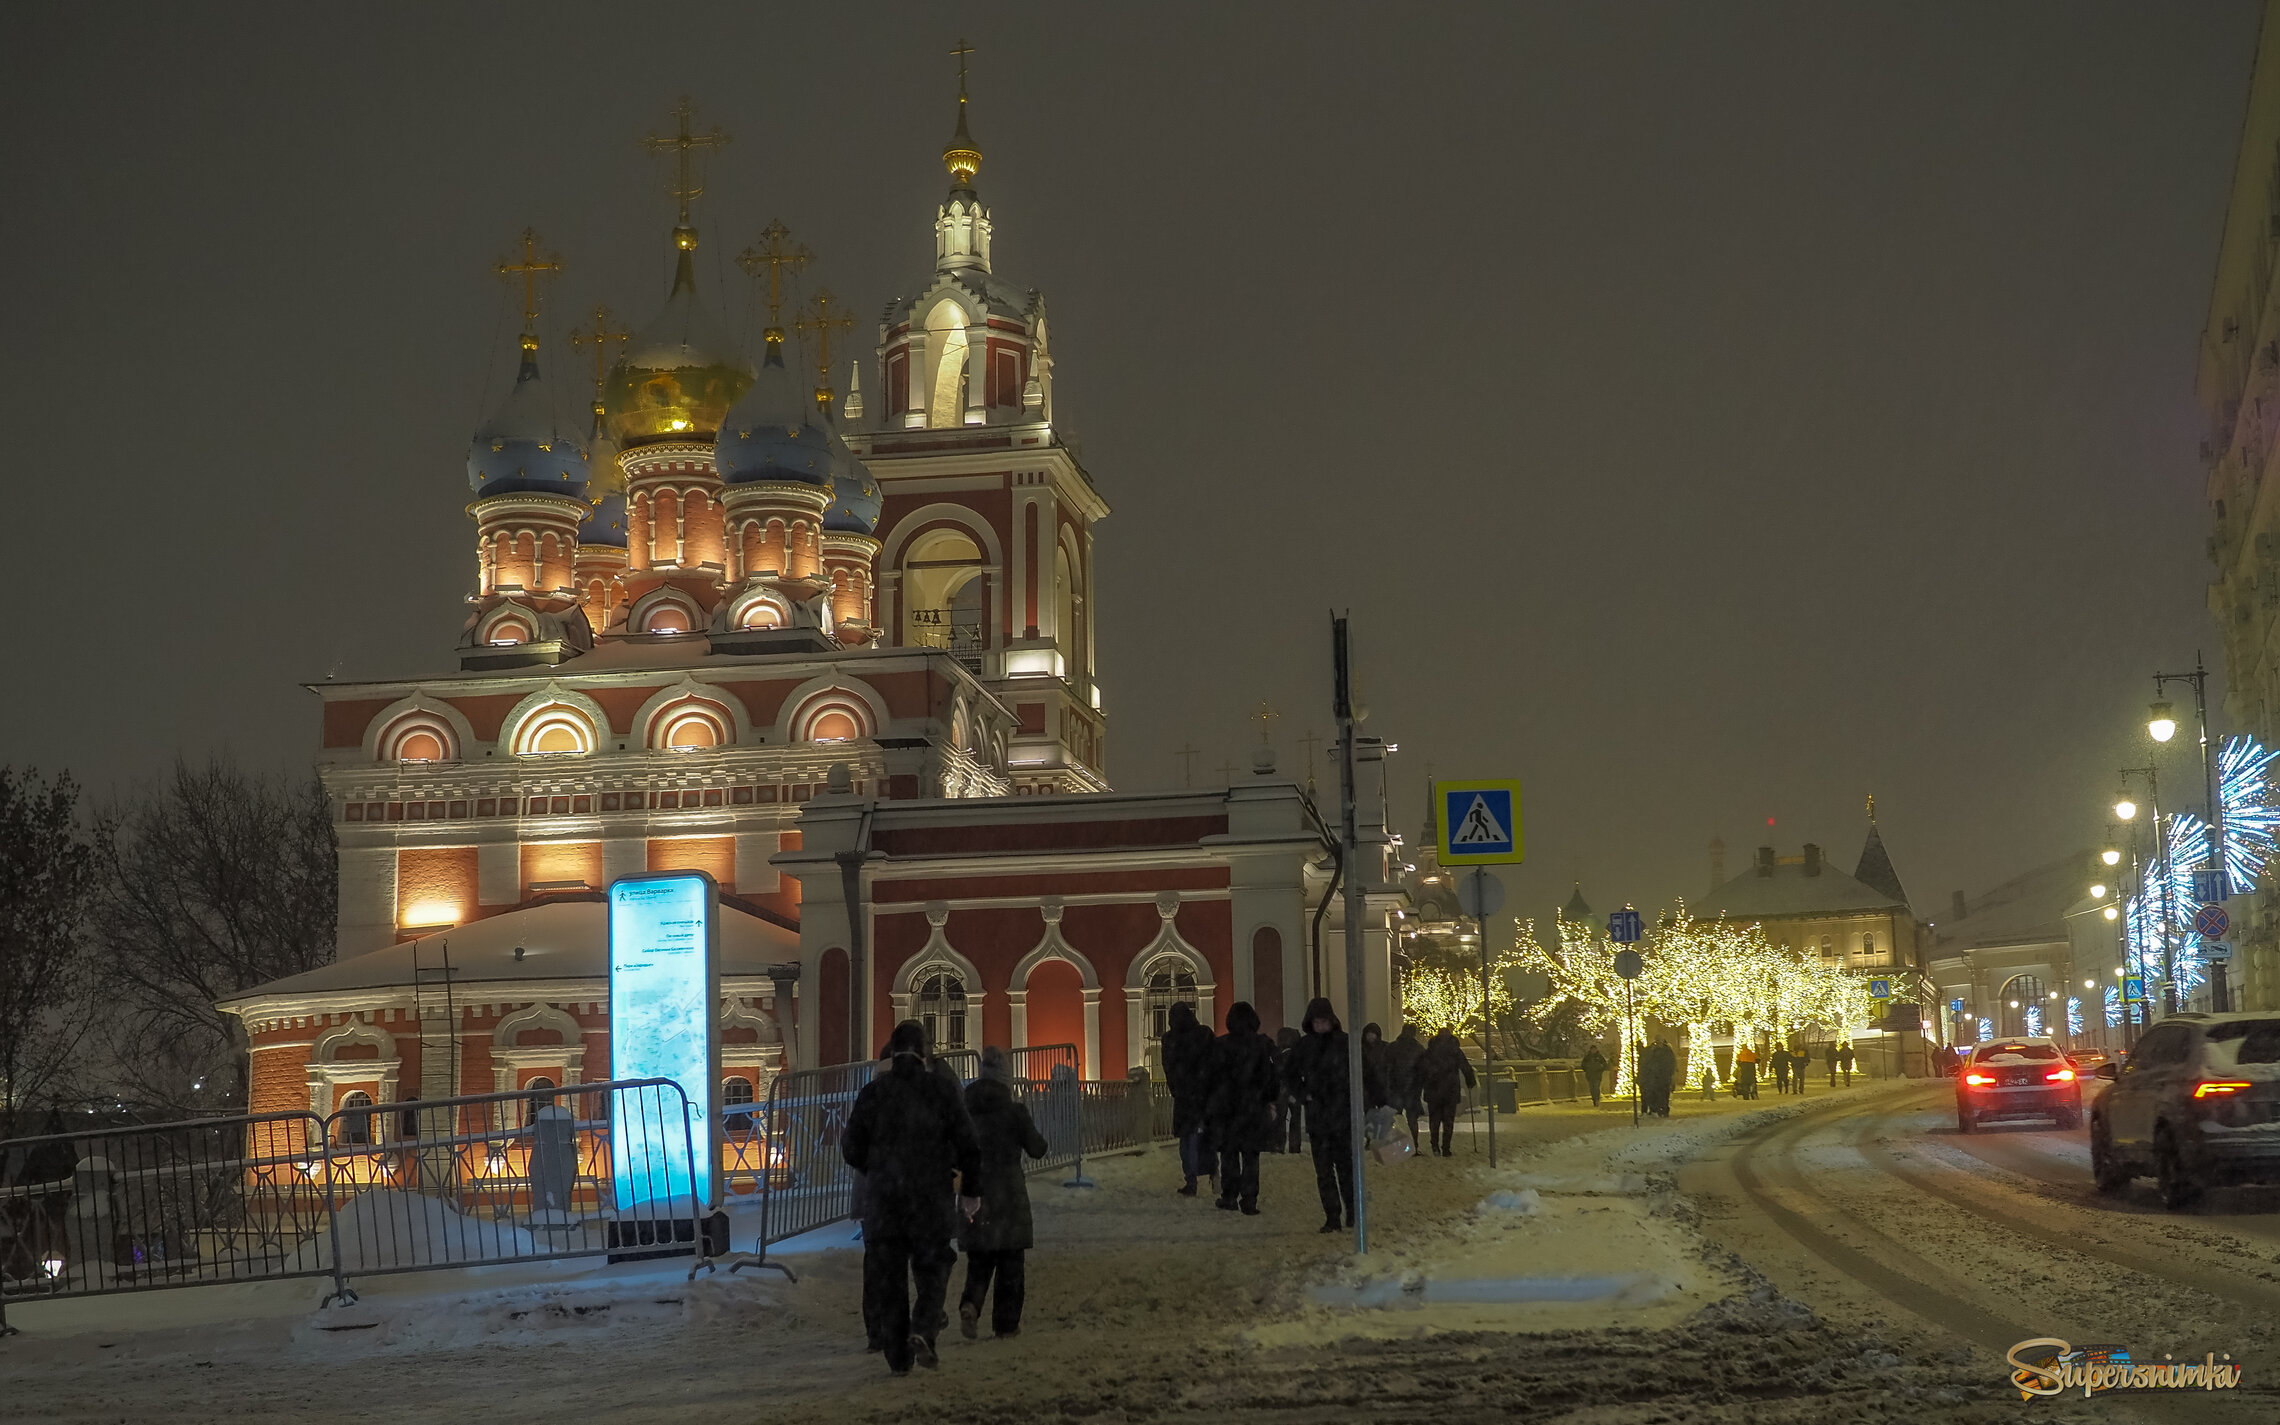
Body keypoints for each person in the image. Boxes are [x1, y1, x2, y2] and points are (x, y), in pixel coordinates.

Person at [841, 1020, 982, 1376]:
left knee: (890, 1277)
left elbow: (850, 1147)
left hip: (885, 1202)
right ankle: (923, 1328)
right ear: (924, 1052)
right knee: (934, 1267)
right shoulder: (941, 1090)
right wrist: (970, 1190)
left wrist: (877, 1170)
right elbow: (969, 1144)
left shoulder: (873, 1093)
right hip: (929, 1198)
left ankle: (897, 1358)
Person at [958, 1047, 1048, 1341]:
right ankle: (1006, 1325)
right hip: (1009, 1194)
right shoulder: (1015, 1112)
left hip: (977, 1191)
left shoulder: (967, 1112)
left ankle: (971, 1303)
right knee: (1011, 1261)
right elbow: (1037, 1148)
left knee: (980, 1258)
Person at [1284, 996, 1355, 1233]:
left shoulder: (1344, 1043)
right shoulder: (1304, 1047)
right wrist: (1304, 1095)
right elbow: (1289, 1075)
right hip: (1319, 1119)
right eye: (1318, 1021)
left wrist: (1375, 1100)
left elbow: (1363, 1072)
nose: (1321, 1025)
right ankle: (1333, 1215)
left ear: (1331, 1021)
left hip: (1341, 1117)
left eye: (1325, 1021)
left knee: (1345, 1169)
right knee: (1324, 1172)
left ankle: (1353, 1210)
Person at [1205, 1001, 1280, 1214]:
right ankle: (1249, 1199)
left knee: (1229, 1154)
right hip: (1253, 1108)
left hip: (1227, 1109)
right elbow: (1270, 1076)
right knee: (1251, 1155)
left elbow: (1212, 1078)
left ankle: (1229, 1196)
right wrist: (1269, 1099)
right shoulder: (1261, 1045)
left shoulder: (1220, 1045)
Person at [1159, 1001, 1217, 1197]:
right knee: (1205, 1137)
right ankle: (1214, 1172)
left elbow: (1168, 1068)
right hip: (1203, 1095)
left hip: (1184, 1097)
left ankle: (1191, 1180)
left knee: (1187, 1140)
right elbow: (1213, 1062)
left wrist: (1176, 1088)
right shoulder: (1204, 1034)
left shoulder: (1170, 1039)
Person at [1416, 1027, 1476, 1157]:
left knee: (1435, 1120)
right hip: (1450, 1089)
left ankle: (1435, 1145)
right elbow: (1465, 1066)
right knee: (1448, 1121)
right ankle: (1446, 1148)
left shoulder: (1430, 1051)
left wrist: (1420, 1083)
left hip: (1434, 1089)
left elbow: (1422, 1069)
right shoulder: (1455, 1051)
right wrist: (1470, 1081)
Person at [1388, 1024, 1426, 1145]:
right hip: (1412, 1089)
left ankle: (1397, 1142)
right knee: (1412, 1119)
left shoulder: (1393, 1047)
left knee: (1395, 1118)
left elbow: (1387, 1067)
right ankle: (1414, 1142)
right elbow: (1423, 1070)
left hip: (1397, 1087)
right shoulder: (1418, 1049)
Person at [1276, 1026, 1304, 1153]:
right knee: (1295, 1119)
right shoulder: (1296, 1055)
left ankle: (1279, 1145)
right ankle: (1294, 1146)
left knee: (1280, 1119)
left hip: (1281, 1090)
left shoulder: (1277, 1055)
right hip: (1293, 1090)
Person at [1359, 1022, 1392, 1114]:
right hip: (1367, 1085)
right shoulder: (1360, 1048)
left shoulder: (1385, 1048)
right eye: (1369, 1034)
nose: (1371, 1037)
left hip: (1381, 1085)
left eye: (1373, 1034)